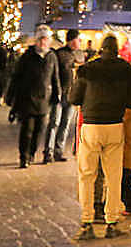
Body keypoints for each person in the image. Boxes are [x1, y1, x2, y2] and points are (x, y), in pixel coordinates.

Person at [68, 35, 131, 241]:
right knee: (114, 176)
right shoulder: (128, 70)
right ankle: (111, 222)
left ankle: (87, 222)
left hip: (91, 126)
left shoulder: (87, 70)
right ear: (117, 50)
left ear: (101, 49)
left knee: (87, 175)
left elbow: (74, 98)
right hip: (115, 126)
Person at [9, 27, 60, 169]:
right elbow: (17, 77)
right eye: (41, 39)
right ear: (36, 41)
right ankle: (24, 157)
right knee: (27, 130)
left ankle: (31, 153)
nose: (43, 42)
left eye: (46, 39)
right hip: (28, 99)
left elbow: (55, 77)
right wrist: (11, 96)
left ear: (49, 41)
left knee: (39, 130)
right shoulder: (27, 56)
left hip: (44, 100)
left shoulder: (51, 56)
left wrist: (57, 94)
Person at [46, 30, 82, 163]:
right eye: (78, 39)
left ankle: (58, 151)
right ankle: (48, 152)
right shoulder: (59, 54)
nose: (80, 42)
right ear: (72, 40)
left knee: (65, 124)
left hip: (71, 96)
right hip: (59, 95)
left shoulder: (78, 55)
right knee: (54, 123)